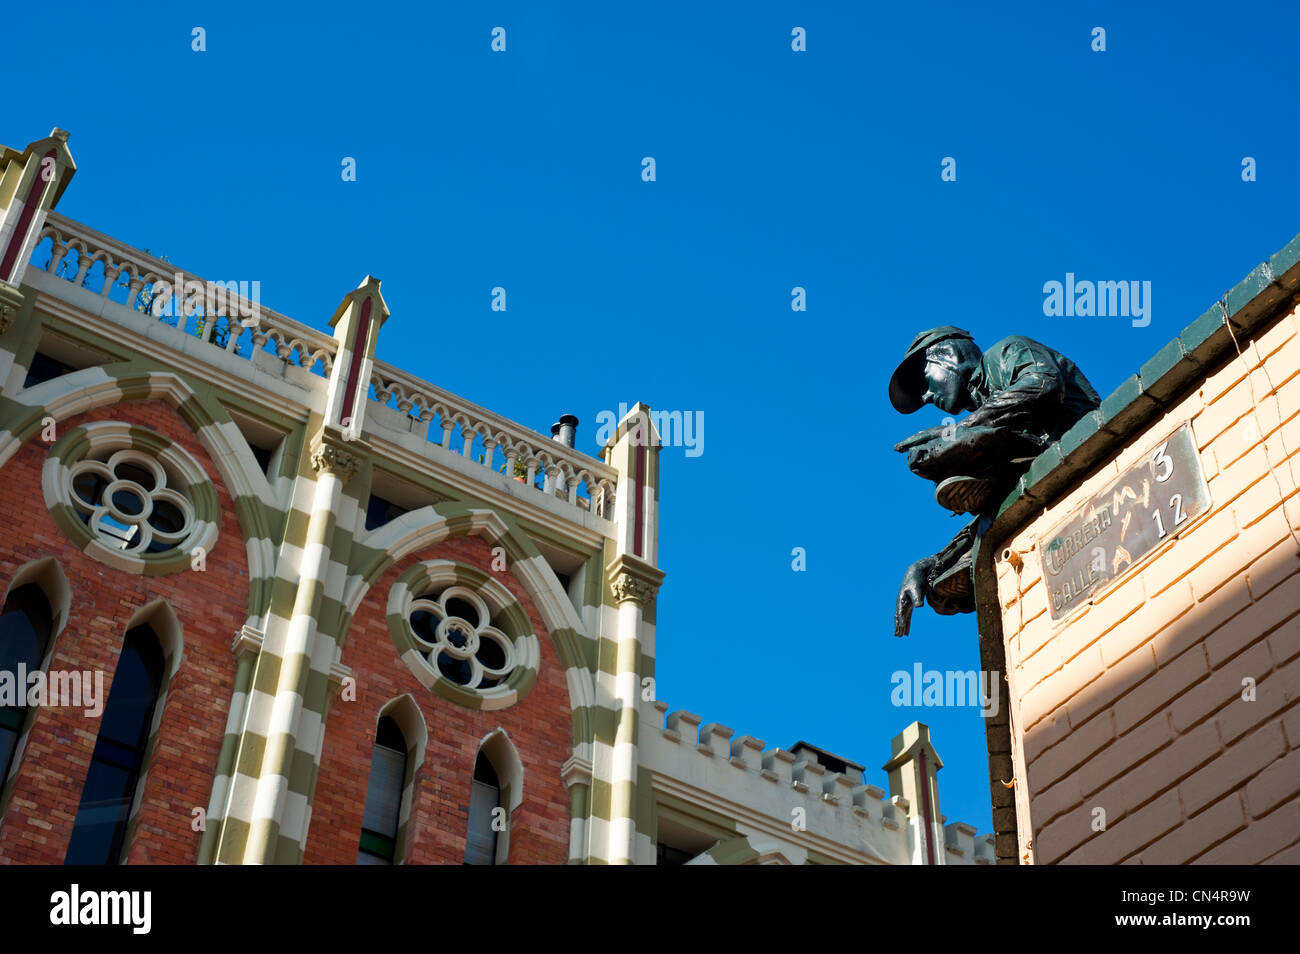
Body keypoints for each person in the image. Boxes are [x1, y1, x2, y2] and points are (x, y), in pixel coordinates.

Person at [890, 326, 1101, 636]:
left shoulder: (1005, 353)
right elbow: (1002, 502)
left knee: (968, 441)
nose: (926, 396)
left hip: (1083, 451)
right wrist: (931, 563)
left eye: (924, 381)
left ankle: (978, 462)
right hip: (1039, 481)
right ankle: (960, 564)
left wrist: (961, 431)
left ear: (948, 355)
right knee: (967, 546)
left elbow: (1042, 384)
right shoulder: (987, 410)